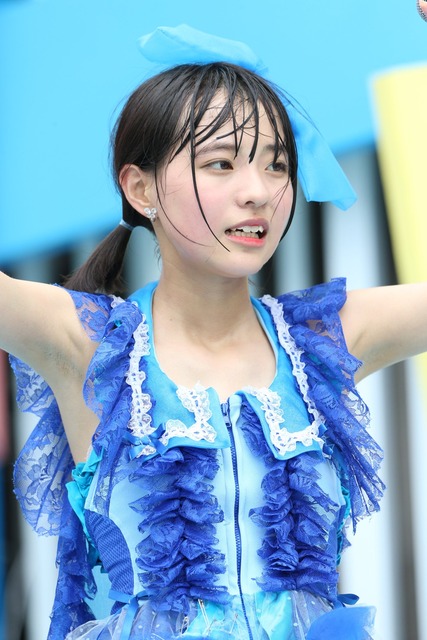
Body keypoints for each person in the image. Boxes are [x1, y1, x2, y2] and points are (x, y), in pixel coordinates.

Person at [1, 24, 426, 640]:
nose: (258, 192)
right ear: (140, 187)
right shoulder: (88, 341)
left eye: (277, 165)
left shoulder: (323, 338)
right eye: (221, 163)